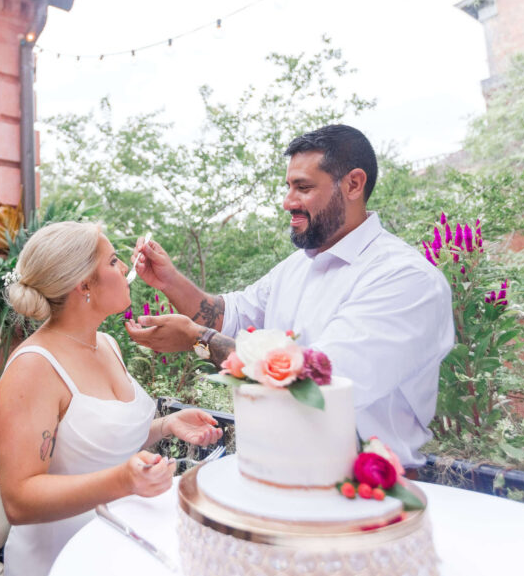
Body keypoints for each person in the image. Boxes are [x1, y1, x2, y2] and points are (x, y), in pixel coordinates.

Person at [124, 124, 454, 470]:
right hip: (274, 476)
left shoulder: (404, 279)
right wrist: (170, 281)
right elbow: (229, 316)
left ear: (353, 184)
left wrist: (198, 341)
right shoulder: (297, 267)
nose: (287, 202)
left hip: (363, 494)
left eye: (303, 188)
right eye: (288, 187)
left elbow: (316, 384)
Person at [0, 221, 223, 576]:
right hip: (58, 566)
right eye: (114, 261)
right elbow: (18, 500)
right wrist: (124, 481)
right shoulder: (34, 368)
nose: (124, 269)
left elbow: (96, 441)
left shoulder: (106, 344)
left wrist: (166, 425)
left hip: (120, 551)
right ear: (84, 285)